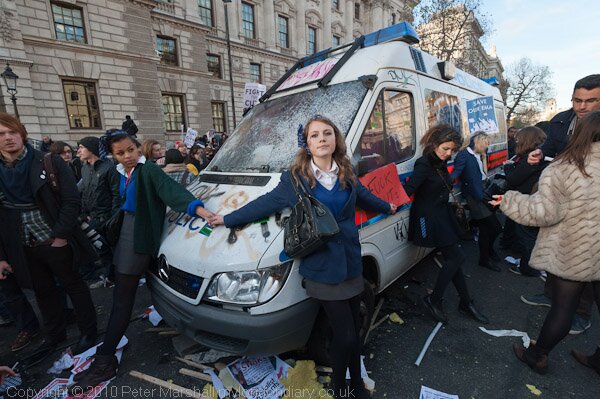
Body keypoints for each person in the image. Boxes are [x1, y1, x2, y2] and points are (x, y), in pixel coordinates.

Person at [210, 116, 396, 399]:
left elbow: (366, 198)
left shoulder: (347, 172)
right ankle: (340, 387)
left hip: (351, 263)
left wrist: (389, 205)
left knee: (355, 330)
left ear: (336, 140)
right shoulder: (295, 179)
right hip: (321, 268)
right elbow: (264, 204)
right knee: (345, 334)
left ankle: (355, 384)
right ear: (307, 144)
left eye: (327, 133)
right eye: (314, 135)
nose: (322, 139)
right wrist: (227, 218)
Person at [70, 130, 214, 393]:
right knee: (125, 298)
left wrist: (202, 211)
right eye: (120, 153)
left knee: (122, 301)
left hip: (136, 239)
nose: (127, 156)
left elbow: (173, 193)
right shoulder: (123, 172)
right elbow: (121, 202)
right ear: (112, 155)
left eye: (130, 150)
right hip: (127, 234)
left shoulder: (148, 170)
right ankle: (106, 355)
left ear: (138, 148)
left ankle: (105, 359)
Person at [490, 110, 600, 375]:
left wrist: (509, 200)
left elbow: (544, 212)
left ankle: (537, 356)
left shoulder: (569, 167)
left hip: (576, 248)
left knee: (563, 308)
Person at [0, 113, 98, 357]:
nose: (8, 138)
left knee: (73, 284)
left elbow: (71, 200)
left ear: (21, 134)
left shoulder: (48, 161)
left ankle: (89, 332)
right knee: (42, 291)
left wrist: (61, 236)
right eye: (1, 134)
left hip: (54, 237)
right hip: (20, 244)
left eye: (12, 132)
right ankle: (55, 336)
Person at [522, 74, 600, 334]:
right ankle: (551, 295)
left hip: (590, 205)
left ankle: (580, 313)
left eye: (590, 101)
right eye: (577, 100)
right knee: (554, 246)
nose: (582, 106)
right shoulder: (561, 121)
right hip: (558, 194)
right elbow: (550, 145)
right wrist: (540, 152)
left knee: (583, 259)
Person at [403, 125, 489, 325]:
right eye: (445, 149)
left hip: (442, 214)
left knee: (455, 259)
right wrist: (382, 201)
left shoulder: (440, 163)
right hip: (430, 217)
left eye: (452, 150)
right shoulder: (424, 164)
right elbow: (408, 189)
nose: (448, 153)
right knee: (457, 257)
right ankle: (434, 300)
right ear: (434, 144)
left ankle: (465, 302)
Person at [451, 132, 502, 272]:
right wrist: (444, 181)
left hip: (483, 194)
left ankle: (485, 256)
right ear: (478, 141)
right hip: (475, 198)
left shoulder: (478, 155)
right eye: (486, 143)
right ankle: (486, 256)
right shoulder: (463, 155)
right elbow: (456, 172)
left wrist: (484, 157)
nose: (488, 146)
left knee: (488, 230)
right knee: (494, 228)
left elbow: (482, 176)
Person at [503, 126, 547, 277]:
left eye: (519, 139)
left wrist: (508, 167)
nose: (516, 141)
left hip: (526, 201)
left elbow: (514, 178)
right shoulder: (539, 155)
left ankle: (528, 269)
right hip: (534, 199)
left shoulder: (530, 158)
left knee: (525, 235)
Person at [77, 136, 120, 284]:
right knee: (102, 249)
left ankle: (114, 277)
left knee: (111, 249)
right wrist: (83, 214)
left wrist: (112, 218)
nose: (78, 151)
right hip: (92, 218)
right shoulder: (84, 168)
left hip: (106, 218)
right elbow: (83, 193)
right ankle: (110, 277)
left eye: (81, 147)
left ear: (91, 149)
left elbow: (116, 194)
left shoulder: (109, 168)